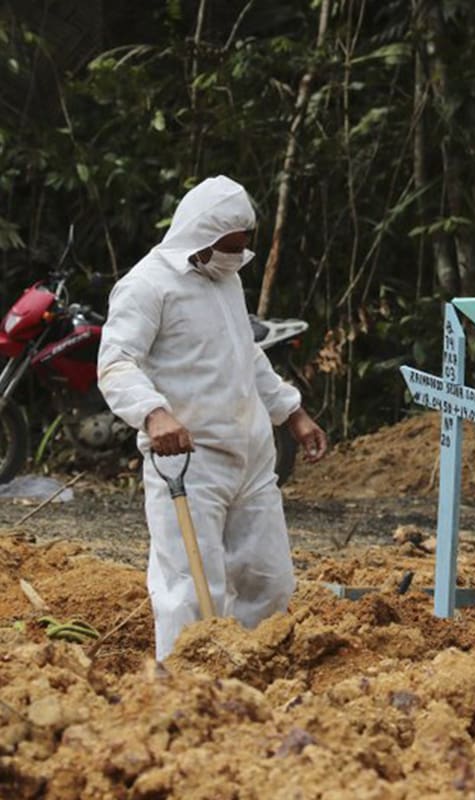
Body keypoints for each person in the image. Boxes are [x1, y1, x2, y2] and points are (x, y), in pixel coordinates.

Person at [98, 176, 328, 660]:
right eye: (230, 247)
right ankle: (187, 683)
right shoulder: (146, 286)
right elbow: (116, 363)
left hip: (251, 460)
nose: (237, 256)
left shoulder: (227, 280)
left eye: (243, 247)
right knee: (190, 586)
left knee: (268, 580)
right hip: (189, 463)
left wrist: (292, 412)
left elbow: (247, 354)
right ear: (200, 237)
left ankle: (252, 671)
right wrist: (154, 414)